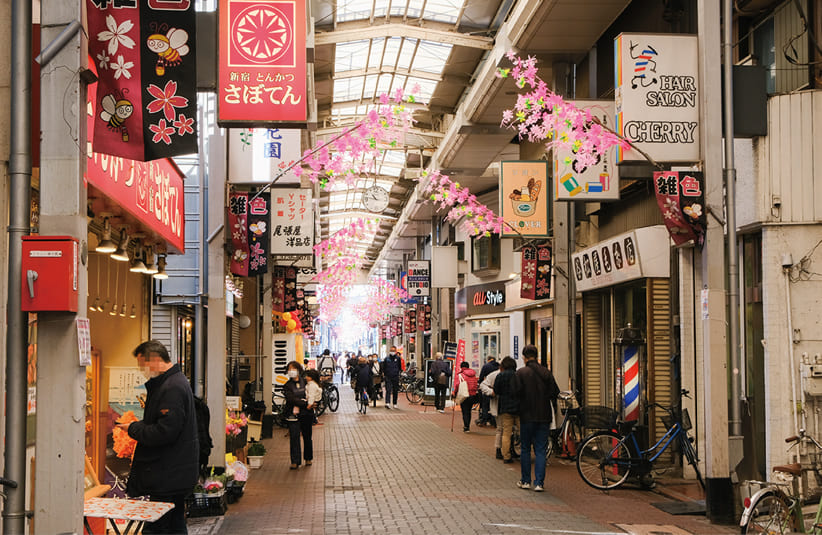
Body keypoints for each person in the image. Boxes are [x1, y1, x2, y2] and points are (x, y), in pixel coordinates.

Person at [119, 340, 198, 535]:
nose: (141, 371)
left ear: (154, 360)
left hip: (168, 474)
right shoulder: (174, 382)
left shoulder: (171, 388)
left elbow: (165, 432)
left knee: (158, 527)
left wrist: (133, 428)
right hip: (174, 473)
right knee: (175, 524)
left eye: (142, 365)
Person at [514, 345, 559, 492]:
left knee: (525, 448)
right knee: (540, 450)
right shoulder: (546, 372)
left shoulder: (521, 373)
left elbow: (516, 394)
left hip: (526, 416)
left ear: (524, 357)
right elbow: (554, 392)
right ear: (537, 355)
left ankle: (525, 481)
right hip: (543, 416)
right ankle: (539, 483)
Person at [283, 361, 313, 469]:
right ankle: (295, 461)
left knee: (307, 436)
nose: (292, 371)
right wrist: (306, 403)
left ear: (298, 370)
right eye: (289, 369)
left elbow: (311, 393)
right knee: (294, 437)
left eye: (293, 369)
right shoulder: (287, 385)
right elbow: (291, 399)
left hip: (306, 414)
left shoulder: (305, 382)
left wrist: (311, 403)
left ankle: (308, 458)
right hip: (293, 414)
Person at [493, 357, 520, 464]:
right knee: (522, 431)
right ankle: (523, 452)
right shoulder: (518, 375)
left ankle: (506, 456)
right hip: (519, 408)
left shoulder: (500, 376)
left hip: (505, 408)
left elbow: (496, 391)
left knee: (506, 433)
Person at [478, 362, 502, 458]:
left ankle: (499, 450)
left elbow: (482, 382)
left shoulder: (492, 373)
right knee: (506, 429)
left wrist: (490, 392)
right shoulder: (514, 374)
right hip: (510, 407)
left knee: (500, 429)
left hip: (497, 405)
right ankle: (506, 451)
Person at [455, 361, 478, 432]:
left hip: (464, 395)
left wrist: (455, 393)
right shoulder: (473, 375)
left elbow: (457, 385)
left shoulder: (460, 375)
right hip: (472, 395)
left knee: (464, 411)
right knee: (469, 410)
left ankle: (466, 426)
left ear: (461, 367)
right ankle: (467, 425)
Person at [477, 356, 499, 427]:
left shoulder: (486, 366)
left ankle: (484, 421)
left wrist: (481, 385)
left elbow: (481, 377)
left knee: (485, 406)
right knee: (495, 405)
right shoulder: (499, 366)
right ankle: (494, 422)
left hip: (488, 387)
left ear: (488, 360)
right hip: (496, 389)